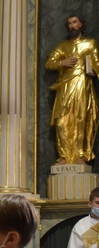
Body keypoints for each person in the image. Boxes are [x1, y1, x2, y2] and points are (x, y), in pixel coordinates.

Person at [45, 15, 99, 165]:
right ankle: (64, 156)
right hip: (65, 86)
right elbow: (50, 63)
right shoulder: (63, 46)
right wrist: (63, 62)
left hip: (82, 85)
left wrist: (92, 69)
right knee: (62, 122)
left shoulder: (89, 44)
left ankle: (80, 156)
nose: (72, 26)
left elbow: (97, 63)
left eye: (74, 22)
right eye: (69, 23)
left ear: (81, 24)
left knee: (81, 119)